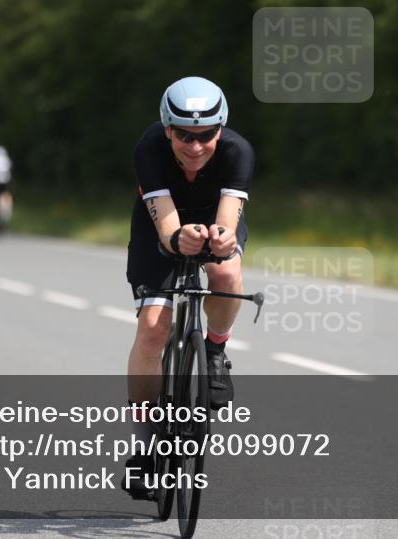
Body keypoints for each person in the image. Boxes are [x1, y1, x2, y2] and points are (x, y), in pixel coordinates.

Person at [122, 76, 254, 497]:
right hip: (160, 226)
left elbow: (229, 222)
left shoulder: (237, 152)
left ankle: (214, 350)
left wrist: (223, 240)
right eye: (183, 135)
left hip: (212, 217)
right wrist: (179, 239)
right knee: (153, 330)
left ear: (221, 129)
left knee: (226, 273)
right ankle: (144, 449)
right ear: (167, 129)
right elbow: (164, 224)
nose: (194, 147)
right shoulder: (149, 149)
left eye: (206, 135)